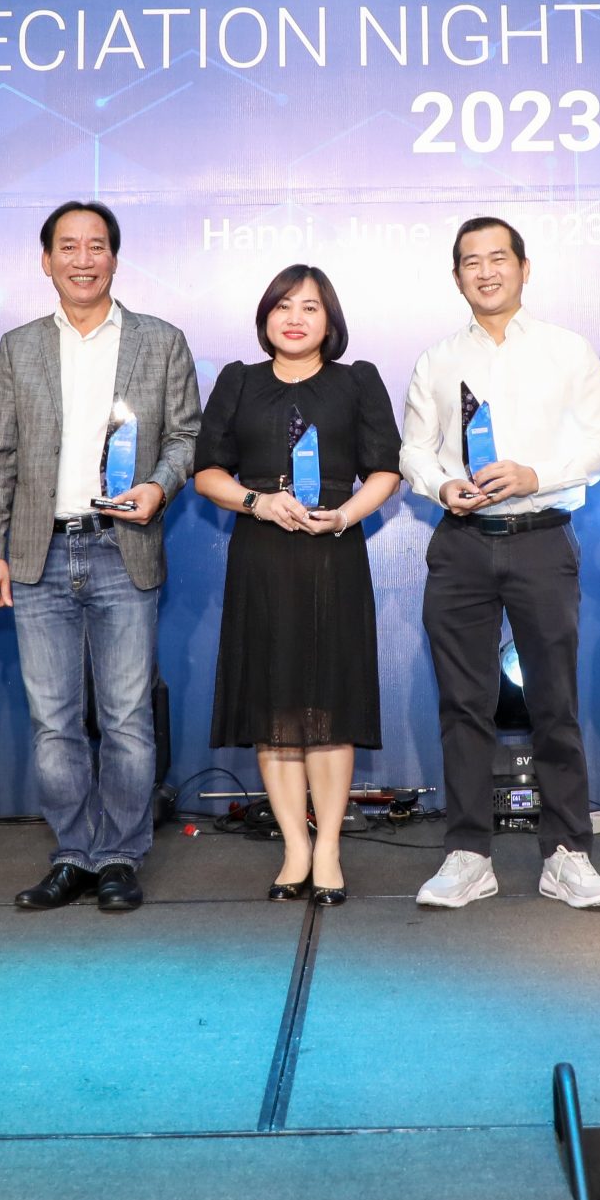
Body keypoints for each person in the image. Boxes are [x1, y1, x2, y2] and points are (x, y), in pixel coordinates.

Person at [0, 201, 200, 915]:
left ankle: (120, 856)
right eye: (67, 247)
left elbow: (187, 438)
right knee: (54, 722)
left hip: (120, 549)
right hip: (37, 553)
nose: (82, 259)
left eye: (96, 246)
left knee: (128, 718)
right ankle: (73, 852)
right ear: (46, 261)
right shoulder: (19, 347)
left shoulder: (160, 341)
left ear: (114, 258)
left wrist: (159, 486)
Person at [401, 217, 600, 912]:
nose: (486, 271)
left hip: (542, 536)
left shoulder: (567, 349)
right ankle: (469, 854)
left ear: (525, 268)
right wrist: (443, 485)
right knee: (463, 705)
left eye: (499, 258)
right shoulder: (437, 360)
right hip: (462, 541)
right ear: (456, 276)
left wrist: (535, 475)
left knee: (554, 703)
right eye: (471, 261)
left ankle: (567, 855)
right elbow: (414, 449)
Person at [196, 265, 403, 905]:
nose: (295, 318)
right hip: (261, 556)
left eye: (310, 307)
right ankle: (295, 847)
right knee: (274, 706)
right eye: (283, 306)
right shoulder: (239, 381)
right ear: (265, 316)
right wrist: (256, 502)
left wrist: (344, 516)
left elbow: (386, 470)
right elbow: (207, 472)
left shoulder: (356, 381)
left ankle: (330, 848)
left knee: (329, 707)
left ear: (329, 320)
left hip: (332, 555)